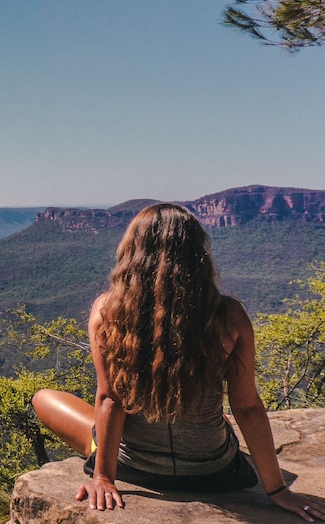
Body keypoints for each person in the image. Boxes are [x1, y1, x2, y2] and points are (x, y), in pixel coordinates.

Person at [31, 203, 325, 521]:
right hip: (213, 471)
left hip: (135, 468)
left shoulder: (108, 312)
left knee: (43, 398)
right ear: (197, 252)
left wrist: (103, 478)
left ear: (133, 251)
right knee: (221, 419)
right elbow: (247, 407)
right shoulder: (228, 315)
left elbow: (110, 399)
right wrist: (278, 490)